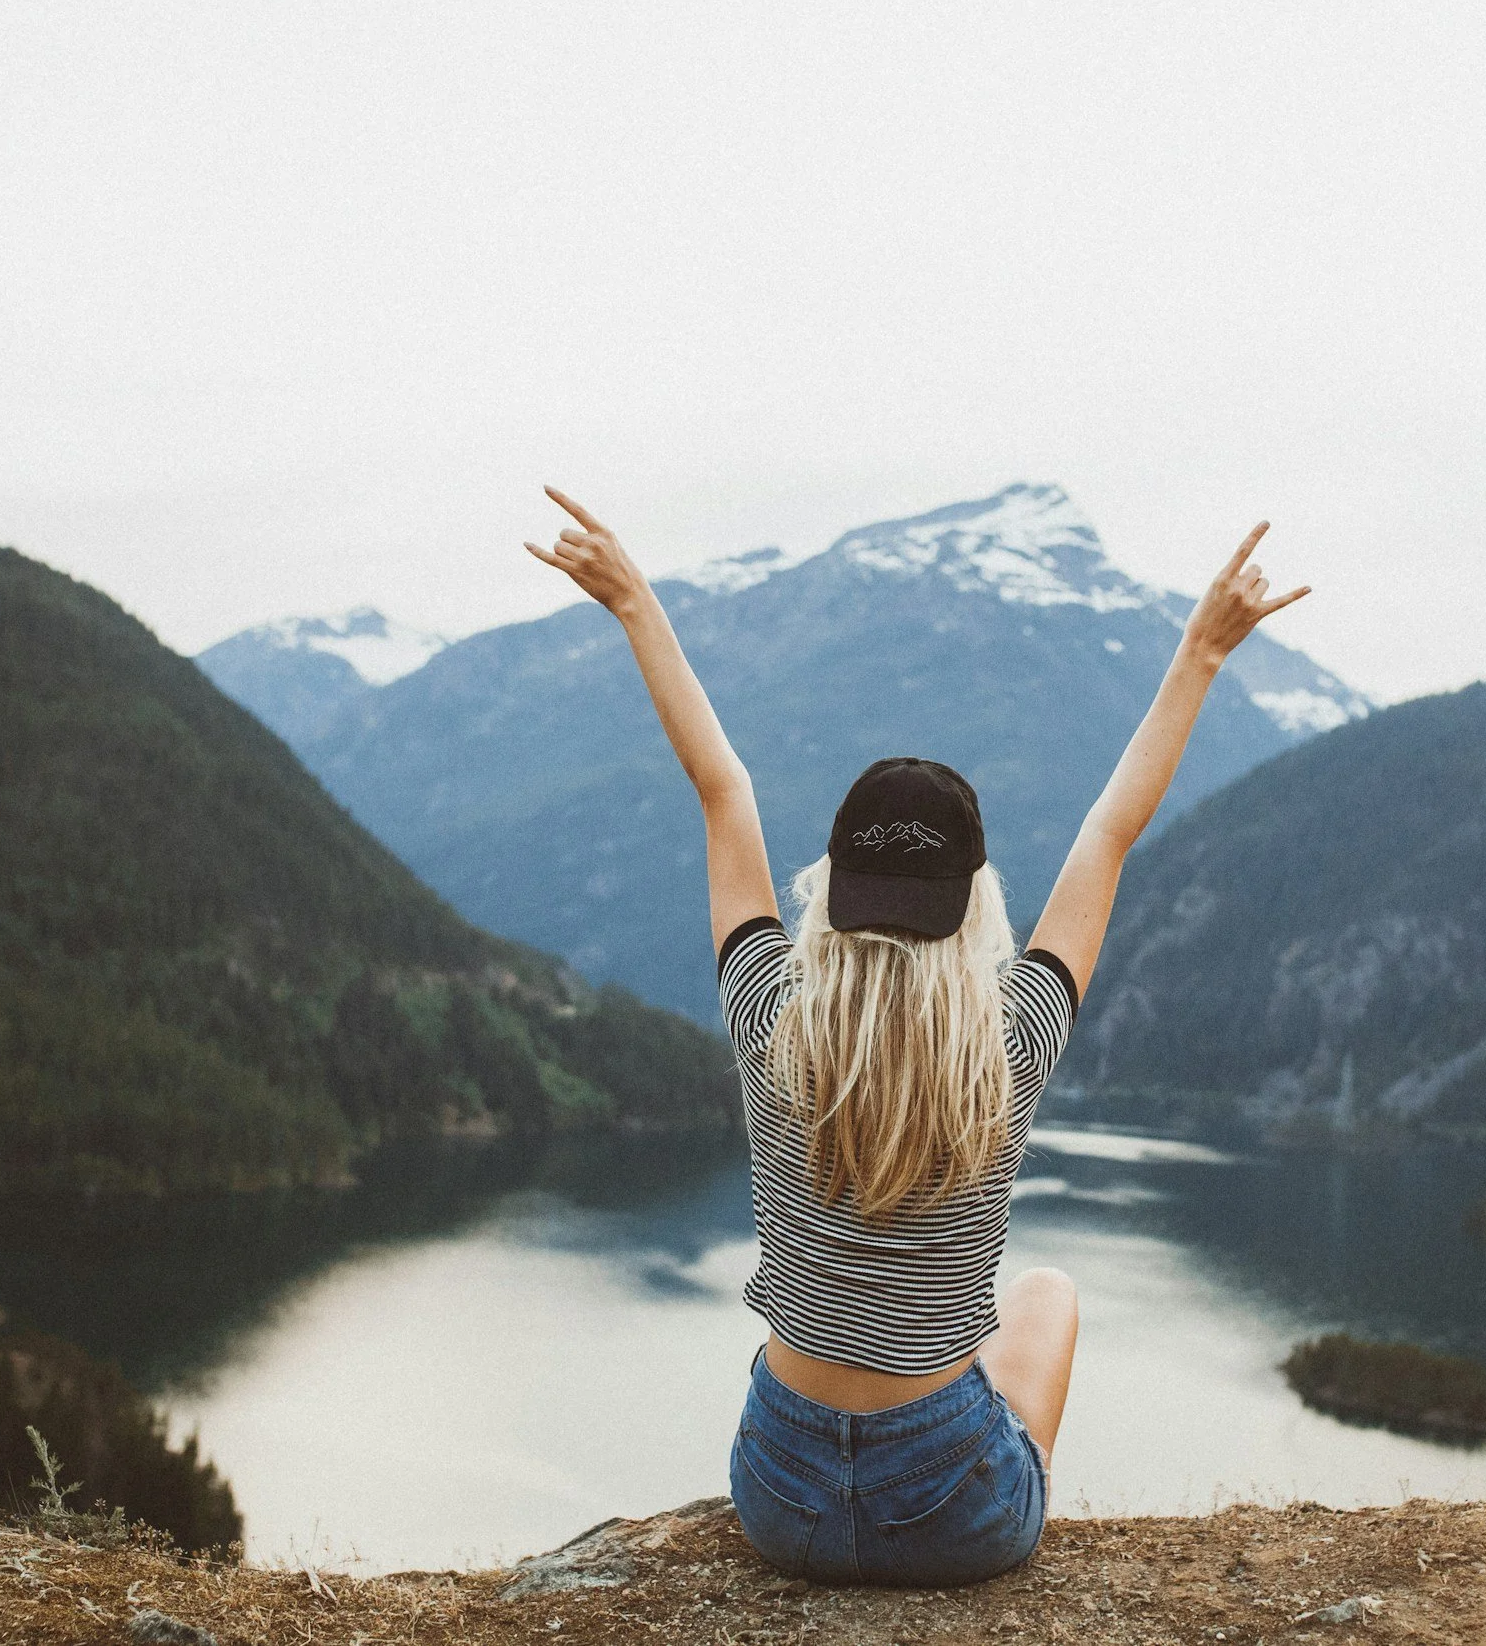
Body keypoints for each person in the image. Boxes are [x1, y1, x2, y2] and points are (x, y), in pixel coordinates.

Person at [526, 488, 1308, 1586]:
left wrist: (635, 604)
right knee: (1044, 1296)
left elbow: (722, 787)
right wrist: (1200, 654)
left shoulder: (768, 1015)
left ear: (833, 893)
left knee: (927, 1339)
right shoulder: (1011, 1041)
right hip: (955, 1513)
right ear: (971, 905)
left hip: (778, 1493)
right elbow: (1111, 830)